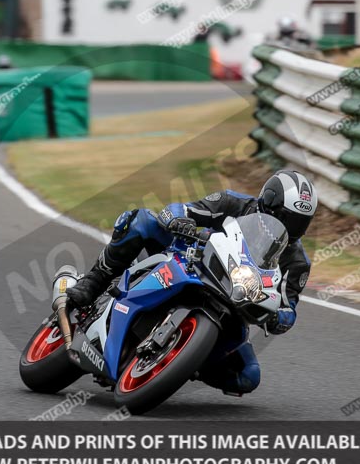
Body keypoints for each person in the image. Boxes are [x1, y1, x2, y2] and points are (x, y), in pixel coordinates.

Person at [67, 169, 317, 396]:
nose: (291, 227)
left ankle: (183, 361)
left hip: (234, 305)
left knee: (248, 376)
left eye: (300, 222)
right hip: (192, 262)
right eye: (287, 217)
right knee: (142, 221)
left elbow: (288, 307)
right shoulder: (233, 203)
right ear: (268, 202)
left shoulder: (297, 263)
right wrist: (179, 220)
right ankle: (95, 280)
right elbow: (180, 209)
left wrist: (278, 317)